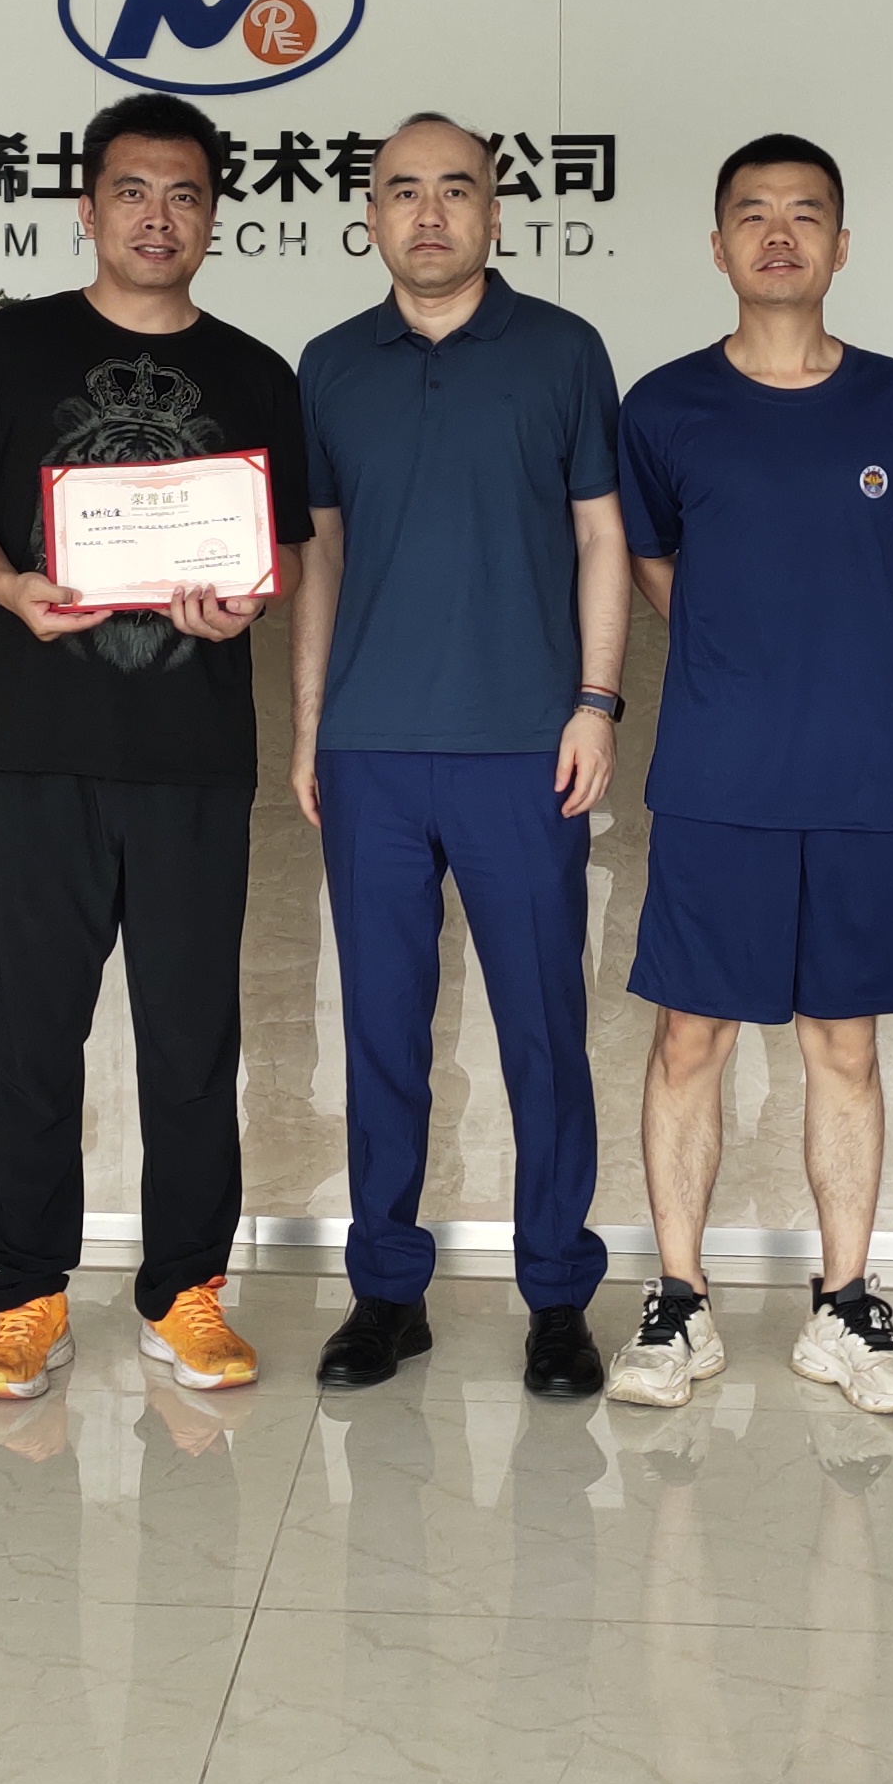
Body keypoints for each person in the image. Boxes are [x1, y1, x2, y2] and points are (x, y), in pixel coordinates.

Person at [0, 92, 313, 1401]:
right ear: (88, 209)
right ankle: (27, 1296)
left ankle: (185, 1292)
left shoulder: (257, 375)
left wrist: (247, 602)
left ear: (215, 217)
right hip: (40, 747)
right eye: (135, 193)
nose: (160, 217)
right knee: (34, 1035)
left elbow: (284, 553)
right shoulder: (10, 352)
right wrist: (9, 587)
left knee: (191, 1040)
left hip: (194, 752)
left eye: (186, 195)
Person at [605, 134, 893, 1415]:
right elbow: (649, 560)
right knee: (688, 1037)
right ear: (717, 248)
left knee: (843, 1043)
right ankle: (678, 1301)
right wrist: (734, 646)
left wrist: (864, 641)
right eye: (752, 215)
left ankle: (845, 1305)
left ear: (840, 244)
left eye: (805, 214)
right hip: (717, 774)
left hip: (863, 777)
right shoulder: (663, 408)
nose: (778, 234)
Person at [290, 112, 630, 1400]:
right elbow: (320, 555)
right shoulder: (331, 364)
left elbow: (600, 536)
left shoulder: (562, 350)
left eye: (455, 190)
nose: (427, 214)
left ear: (495, 211)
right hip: (370, 751)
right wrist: (310, 727)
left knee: (543, 1030)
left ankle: (557, 1295)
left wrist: (595, 702)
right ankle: (387, 1289)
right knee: (381, 1031)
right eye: (400, 191)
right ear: (369, 215)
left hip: (522, 748)